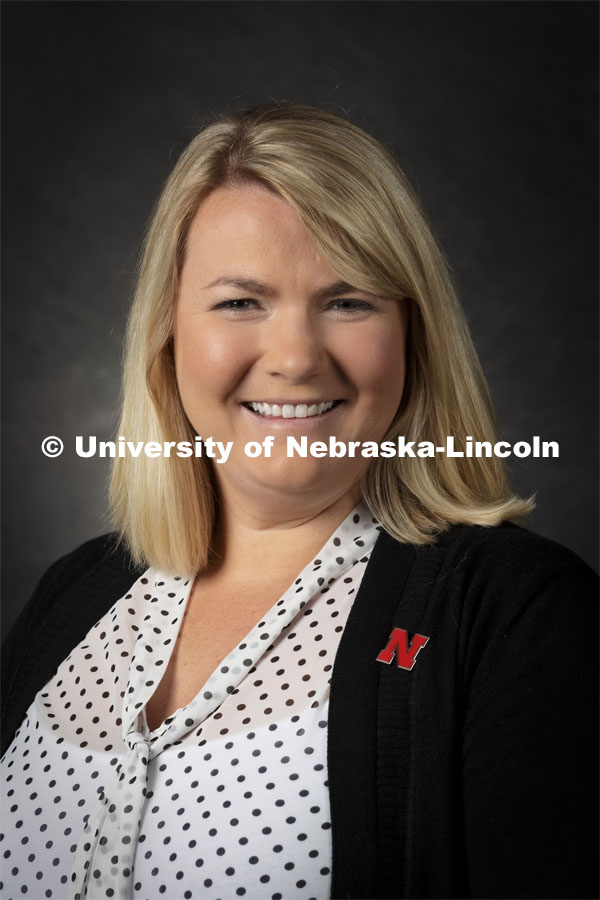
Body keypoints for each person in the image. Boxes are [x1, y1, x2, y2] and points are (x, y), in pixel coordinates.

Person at [1, 102, 597, 900]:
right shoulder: (72, 596)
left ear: (411, 334)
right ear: (168, 331)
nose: (293, 358)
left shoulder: (520, 617)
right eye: (241, 302)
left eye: (348, 300)